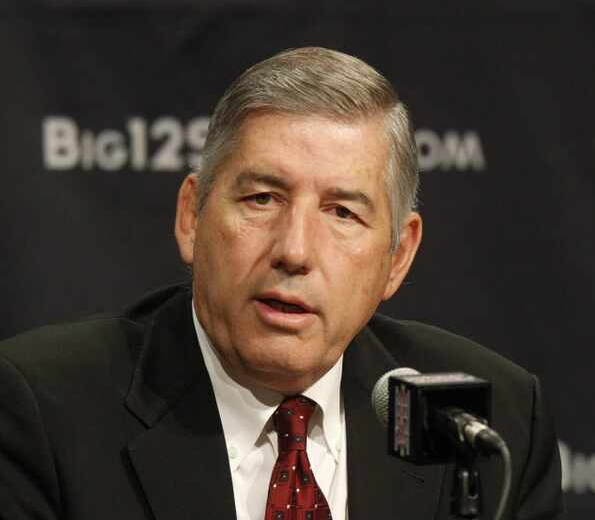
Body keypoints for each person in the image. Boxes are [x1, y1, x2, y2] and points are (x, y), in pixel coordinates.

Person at [0, 47, 564, 520]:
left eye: (342, 212)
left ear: (398, 256)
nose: (294, 251)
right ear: (191, 217)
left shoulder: (491, 424)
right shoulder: (44, 411)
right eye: (262, 199)